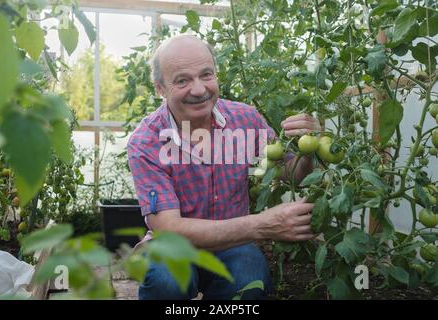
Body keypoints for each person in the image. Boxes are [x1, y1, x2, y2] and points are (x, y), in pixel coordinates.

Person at [127, 35, 320, 300]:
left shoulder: (245, 119)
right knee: (166, 279)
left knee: (251, 282)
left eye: (206, 75)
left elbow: (291, 173)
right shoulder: (147, 141)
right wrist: (263, 225)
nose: (198, 89)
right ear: (160, 88)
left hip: (233, 245)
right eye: (182, 80)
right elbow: (168, 227)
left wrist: (306, 150)